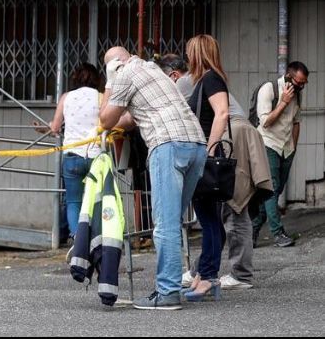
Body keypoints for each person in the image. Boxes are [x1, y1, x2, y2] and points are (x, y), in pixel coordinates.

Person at [99, 47, 206, 311]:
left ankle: (167, 292)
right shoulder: (152, 70)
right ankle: (172, 282)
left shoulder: (124, 75)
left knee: (165, 224)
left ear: (115, 64)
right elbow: (131, 118)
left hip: (167, 146)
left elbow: (105, 119)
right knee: (174, 220)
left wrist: (110, 81)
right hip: (196, 145)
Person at [158, 53, 273, 291]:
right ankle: (202, 270)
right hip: (233, 134)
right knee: (217, 212)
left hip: (231, 135)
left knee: (234, 206)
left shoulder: (188, 81)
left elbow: (169, 111)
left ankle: (239, 274)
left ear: (173, 74)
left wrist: (207, 153)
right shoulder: (203, 79)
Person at [181, 35, 230, 302]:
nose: (187, 57)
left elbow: (222, 113)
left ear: (198, 54)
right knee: (211, 219)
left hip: (206, 156)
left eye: (190, 52)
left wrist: (209, 150)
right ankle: (204, 273)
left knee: (208, 219)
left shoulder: (210, 78)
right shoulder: (208, 79)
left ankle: (209, 276)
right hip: (207, 155)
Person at [34, 63, 103, 243]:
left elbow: (55, 127)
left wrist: (45, 128)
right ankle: (96, 239)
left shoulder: (66, 97)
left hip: (72, 154)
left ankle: (77, 240)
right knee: (96, 201)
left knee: (73, 201)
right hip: (96, 155)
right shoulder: (101, 97)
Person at [252, 61, 309, 248]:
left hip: (286, 148)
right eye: (299, 82)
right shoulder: (269, 90)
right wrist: (283, 102)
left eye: (304, 83)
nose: (301, 86)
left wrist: (294, 148)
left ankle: (252, 230)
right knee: (272, 188)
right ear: (288, 76)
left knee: (273, 192)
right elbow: (265, 122)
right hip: (268, 144)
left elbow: (296, 122)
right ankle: (277, 234)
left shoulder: (297, 96)